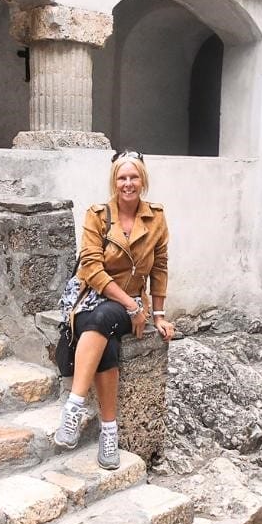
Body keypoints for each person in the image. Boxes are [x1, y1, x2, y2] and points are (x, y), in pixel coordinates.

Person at [54, 149, 175, 469]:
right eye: (122, 177)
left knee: (105, 318)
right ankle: (108, 432)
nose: (128, 183)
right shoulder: (97, 215)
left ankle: (74, 406)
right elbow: (92, 269)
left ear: (143, 180)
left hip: (127, 302)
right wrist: (131, 305)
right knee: (104, 335)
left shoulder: (156, 217)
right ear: (114, 181)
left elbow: (160, 267)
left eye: (134, 177)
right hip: (92, 298)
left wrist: (158, 315)